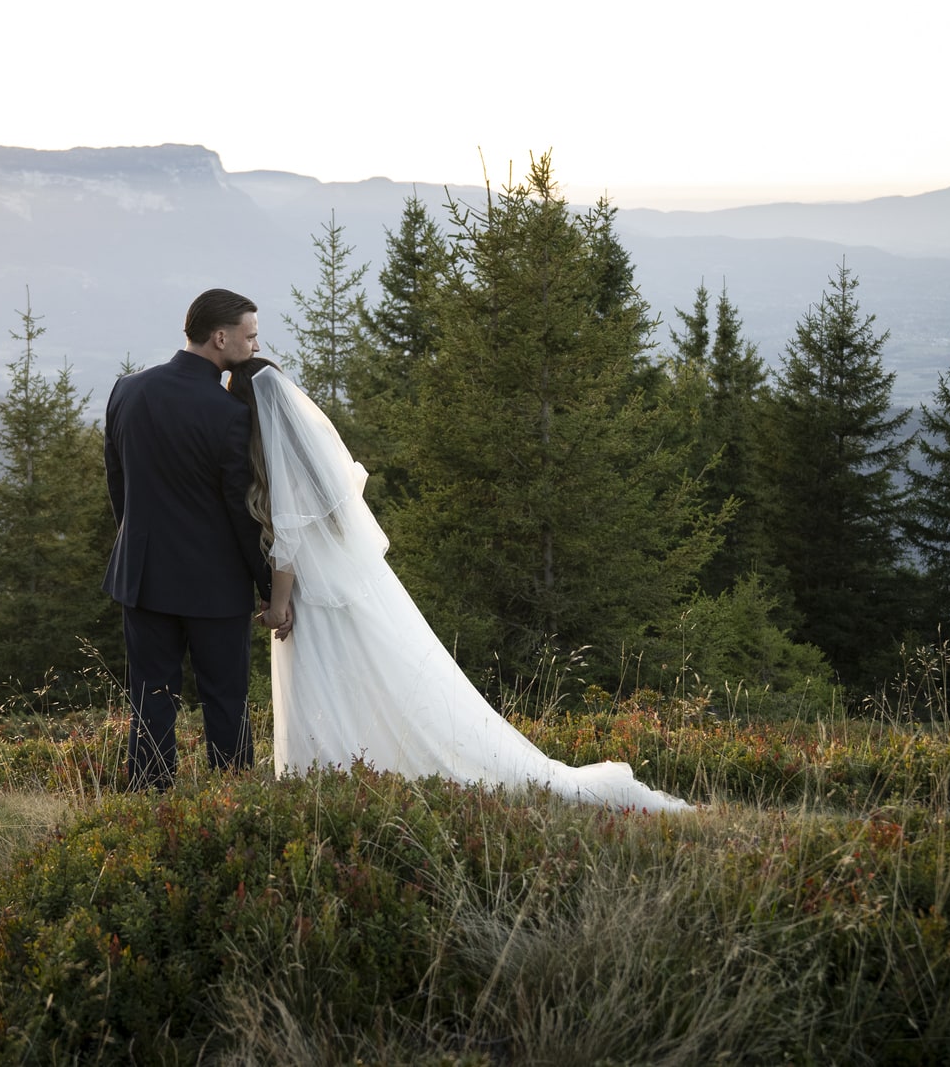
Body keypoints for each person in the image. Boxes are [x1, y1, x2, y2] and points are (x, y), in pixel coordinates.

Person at [231, 356, 690, 813]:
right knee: (374, 683)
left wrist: (277, 606)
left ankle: (330, 784)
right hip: (350, 592)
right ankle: (350, 777)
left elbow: (287, 544)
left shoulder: (277, 463)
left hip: (315, 601)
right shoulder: (309, 456)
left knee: (335, 687)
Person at [104, 288, 272, 790]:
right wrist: (268, 584)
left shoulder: (127, 390)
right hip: (213, 586)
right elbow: (243, 513)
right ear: (221, 338)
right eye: (251, 335)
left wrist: (135, 545)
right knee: (225, 698)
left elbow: (120, 487)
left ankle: (148, 800)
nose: (256, 346)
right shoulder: (231, 414)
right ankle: (231, 798)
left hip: (143, 575)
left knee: (150, 696)